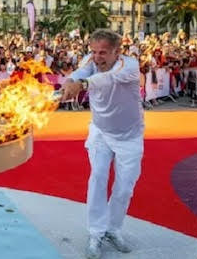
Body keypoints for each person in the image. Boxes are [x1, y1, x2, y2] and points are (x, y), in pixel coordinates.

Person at [61, 29, 143, 259]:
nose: (97, 57)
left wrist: (81, 85)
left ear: (117, 52)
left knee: (125, 187)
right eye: (94, 51)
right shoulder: (91, 61)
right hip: (100, 132)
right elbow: (81, 72)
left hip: (130, 135)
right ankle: (96, 233)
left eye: (103, 53)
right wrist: (71, 81)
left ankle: (113, 229)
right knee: (97, 177)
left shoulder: (129, 66)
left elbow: (105, 80)